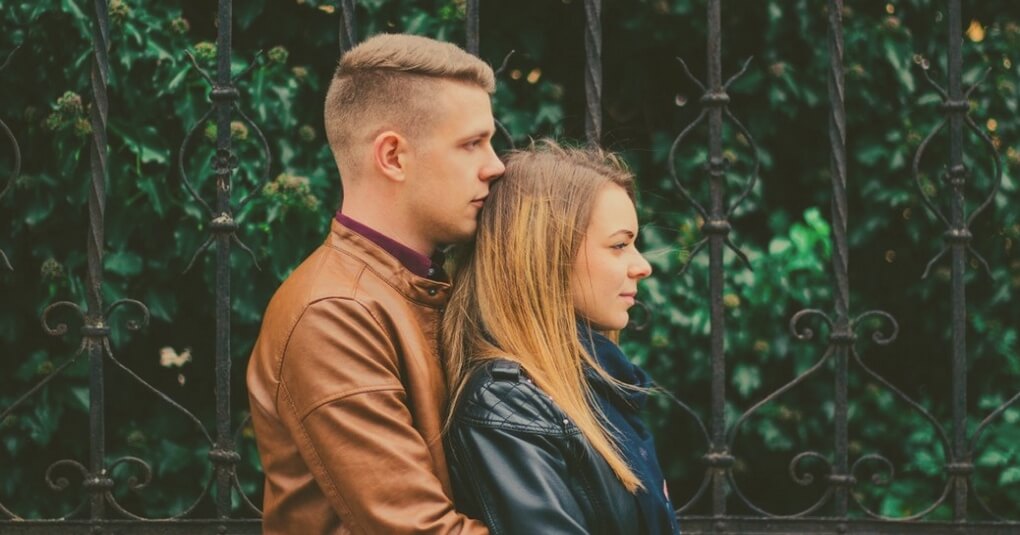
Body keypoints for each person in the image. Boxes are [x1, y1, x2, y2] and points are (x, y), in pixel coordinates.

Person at [246, 33, 504, 534]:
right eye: (472, 143)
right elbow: (419, 529)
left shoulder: (423, 284)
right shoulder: (332, 312)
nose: (495, 165)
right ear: (393, 156)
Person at [443, 141, 681, 534]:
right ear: (547, 254)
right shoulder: (509, 405)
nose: (642, 266)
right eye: (620, 245)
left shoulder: (594, 383)